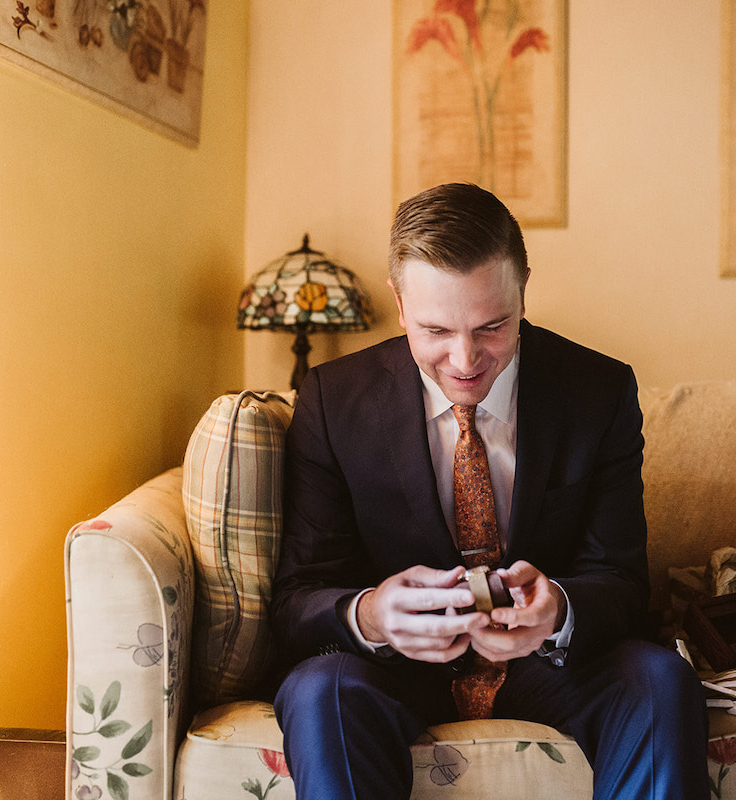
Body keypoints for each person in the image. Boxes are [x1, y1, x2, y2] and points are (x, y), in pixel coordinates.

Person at [270, 182, 709, 799]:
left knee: (662, 679)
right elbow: (297, 597)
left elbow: (623, 584)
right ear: (399, 305)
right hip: (392, 672)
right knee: (319, 691)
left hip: (551, 667)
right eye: (436, 331)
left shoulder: (599, 391)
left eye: (492, 326)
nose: (465, 359)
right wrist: (372, 614)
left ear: (523, 288)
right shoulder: (330, 399)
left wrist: (556, 607)